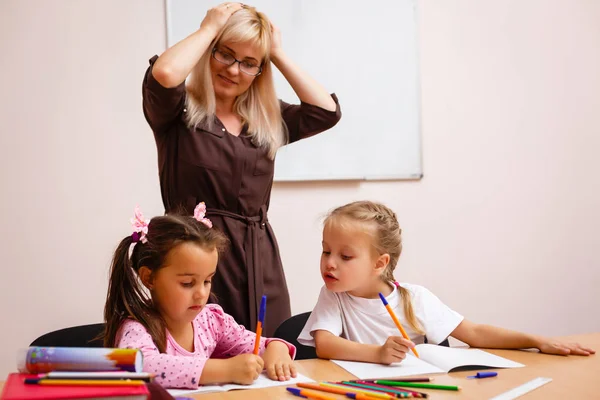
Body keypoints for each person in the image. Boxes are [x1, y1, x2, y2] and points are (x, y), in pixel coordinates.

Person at [143, 2, 341, 336]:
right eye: (226, 54)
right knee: (205, 362)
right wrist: (207, 29)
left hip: (259, 262)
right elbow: (164, 74)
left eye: (249, 63)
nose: (234, 70)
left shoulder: (265, 119)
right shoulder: (177, 111)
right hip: (195, 261)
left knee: (272, 353)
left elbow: (326, 111)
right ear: (209, 52)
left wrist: (275, 52)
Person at [298, 200, 595, 364]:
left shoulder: (414, 298)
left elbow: (475, 332)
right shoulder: (334, 296)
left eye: (345, 256)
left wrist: (536, 341)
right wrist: (377, 353)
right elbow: (324, 344)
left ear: (380, 263)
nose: (330, 262)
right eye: (326, 251)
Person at [102, 203, 297, 389]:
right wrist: (225, 370)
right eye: (187, 283)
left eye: (207, 281)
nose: (202, 294)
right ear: (149, 278)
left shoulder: (211, 320)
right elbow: (142, 367)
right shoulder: (135, 328)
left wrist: (276, 350)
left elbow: (260, 345)